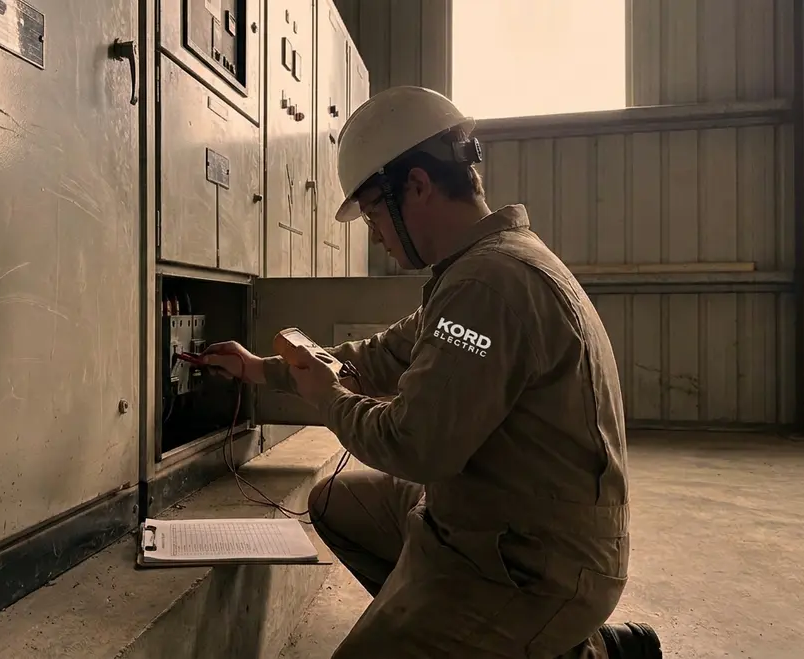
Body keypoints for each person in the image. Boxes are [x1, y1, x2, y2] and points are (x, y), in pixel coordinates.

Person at [201, 86, 663, 659]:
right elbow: (378, 357)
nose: (373, 233)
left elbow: (412, 446)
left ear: (417, 186)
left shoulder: (486, 285)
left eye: (373, 212)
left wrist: (328, 399)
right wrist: (261, 370)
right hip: (487, 513)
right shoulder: (479, 268)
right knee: (332, 505)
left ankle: (552, 642)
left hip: (533, 559)